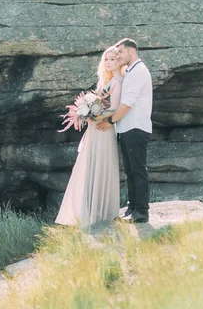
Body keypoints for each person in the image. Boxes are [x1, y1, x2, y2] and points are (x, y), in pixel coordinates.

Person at [55, 46, 124, 228]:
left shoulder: (117, 82)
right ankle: (88, 211)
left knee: (100, 164)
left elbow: (114, 109)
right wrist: (85, 111)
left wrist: (93, 115)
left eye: (112, 59)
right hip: (96, 129)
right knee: (89, 165)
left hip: (103, 129)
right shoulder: (107, 81)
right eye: (106, 59)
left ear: (119, 61)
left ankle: (99, 212)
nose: (109, 62)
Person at [97, 38, 152, 223]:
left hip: (136, 127)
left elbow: (127, 103)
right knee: (130, 171)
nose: (118, 55)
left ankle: (142, 211)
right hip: (126, 128)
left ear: (131, 52)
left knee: (138, 170)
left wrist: (110, 121)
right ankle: (132, 208)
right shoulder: (130, 71)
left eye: (120, 52)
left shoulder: (139, 71)